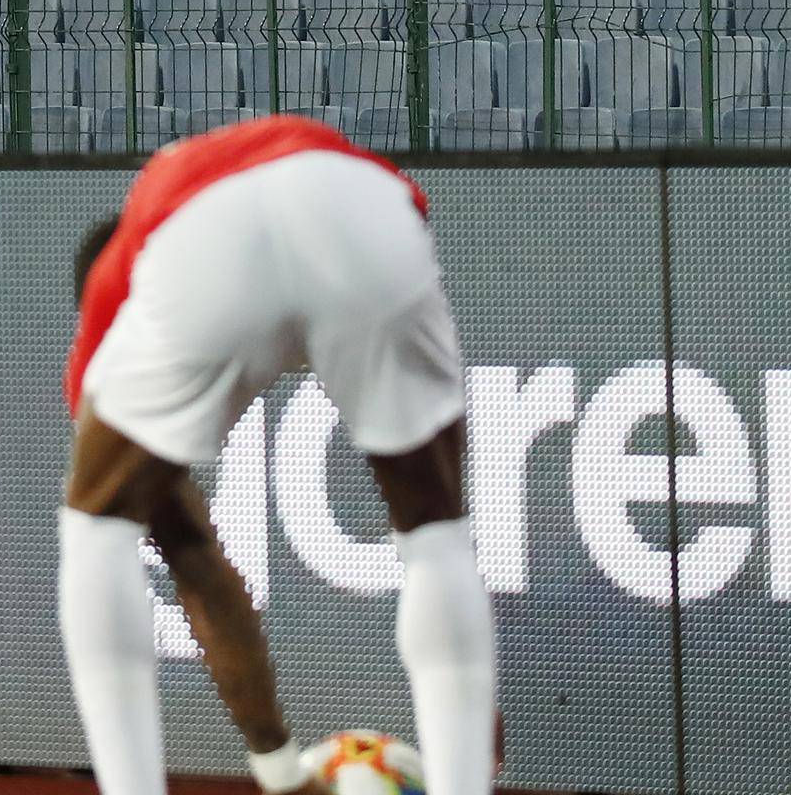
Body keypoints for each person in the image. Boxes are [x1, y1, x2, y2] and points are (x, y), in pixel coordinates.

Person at [60, 114, 494, 795]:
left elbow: (197, 566)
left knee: (97, 532)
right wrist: (469, 691)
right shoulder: (197, 169)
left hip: (206, 238)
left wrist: (280, 770)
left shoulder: (112, 327)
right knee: (437, 536)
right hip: (359, 204)